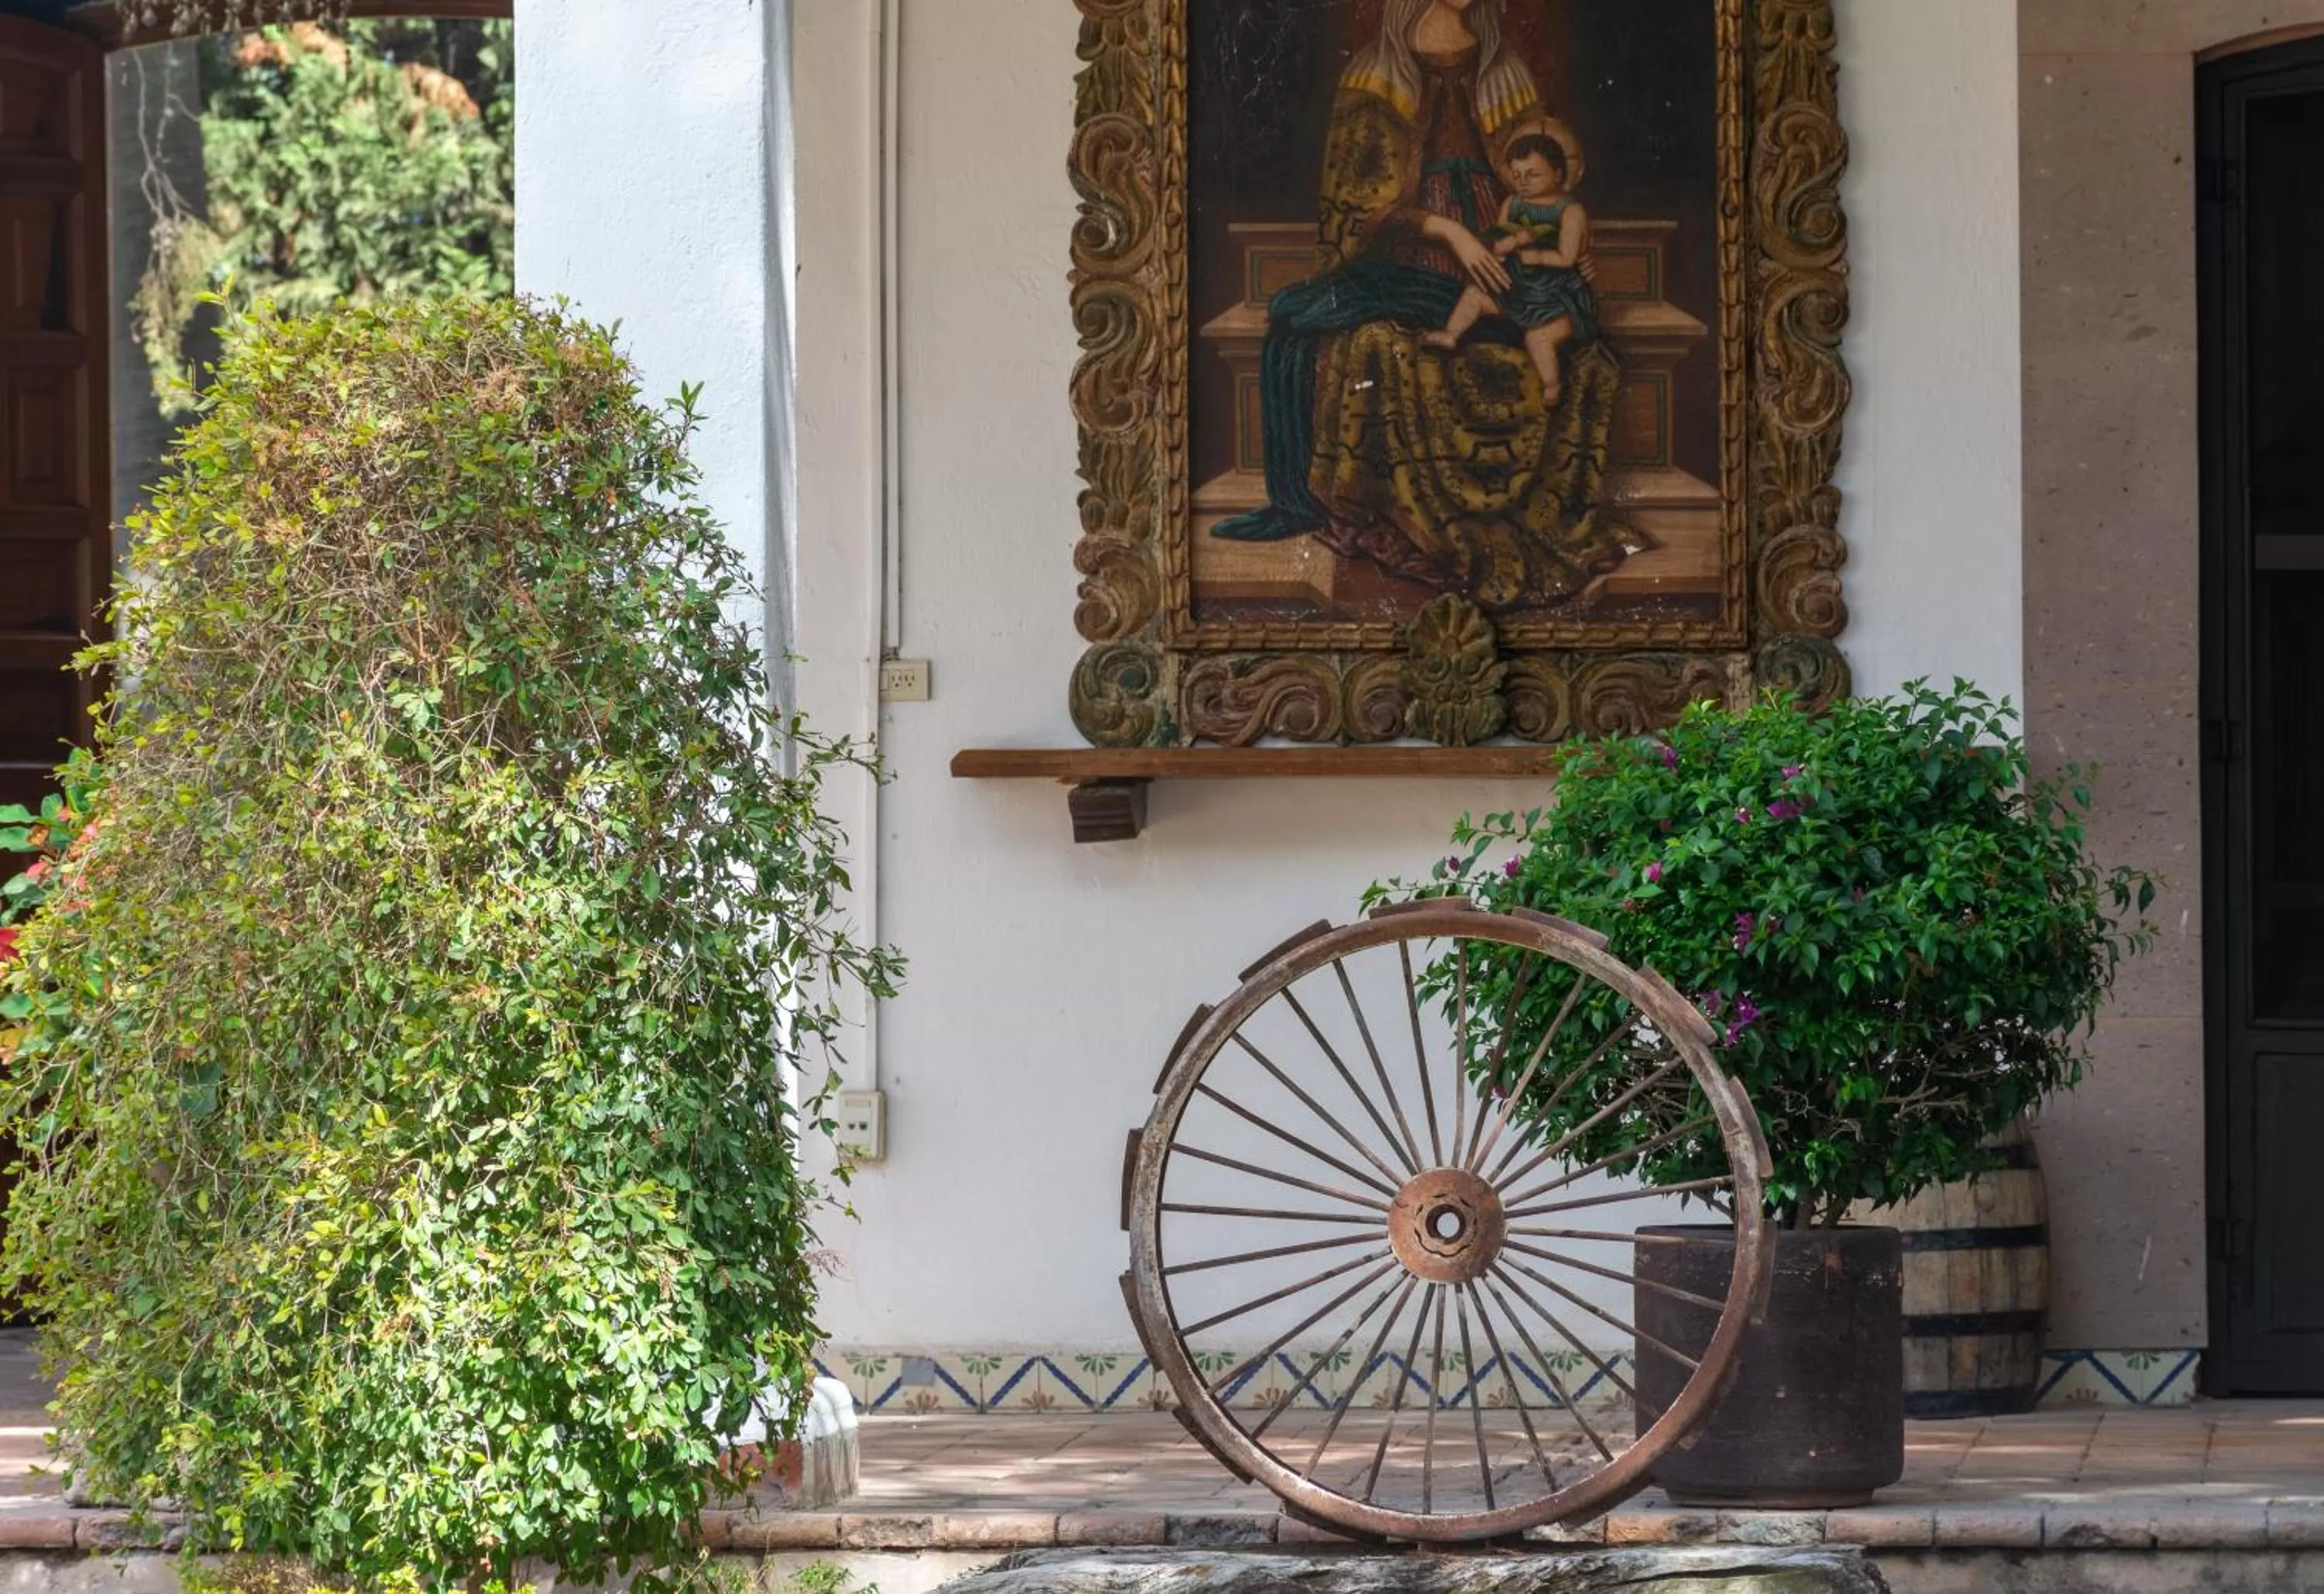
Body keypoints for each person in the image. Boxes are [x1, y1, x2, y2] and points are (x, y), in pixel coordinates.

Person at [1209, 0, 1635, 614]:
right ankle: (1299, 500)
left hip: (1501, 256)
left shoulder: (1506, 71)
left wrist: (1569, 252)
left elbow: (1547, 187)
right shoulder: (1375, 74)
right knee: (1296, 317)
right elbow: (1355, 202)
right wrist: (1447, 230)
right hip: (1411, 250)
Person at [1423, 132, 1597, 406]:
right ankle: (1450, 334)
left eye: (1533, 174)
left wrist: (1536, 256)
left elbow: (1567, 258)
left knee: (1537, 338)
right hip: (1518, 292)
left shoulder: (1570, 211)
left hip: (1558, 300)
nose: (1523, 182)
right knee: (1474, 296)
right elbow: (1498, 246)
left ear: (1557, 172)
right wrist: (1515, 240)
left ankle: (1552, 386)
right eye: (1517, 176)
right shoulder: (1512, 204)